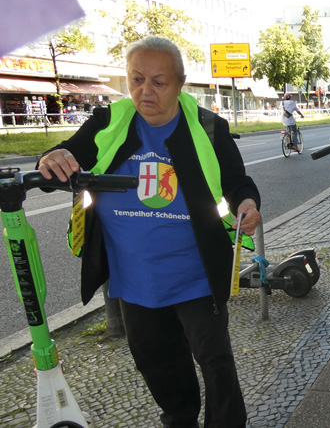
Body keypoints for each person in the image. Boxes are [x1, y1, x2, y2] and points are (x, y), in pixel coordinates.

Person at [37, 36, 260, 428]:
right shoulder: (108, 123)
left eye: (159, 82)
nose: (145, 91)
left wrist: (247, 203)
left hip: (197, 275)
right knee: (157, 363)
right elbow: (66, 160)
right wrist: (52, 156)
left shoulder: (209, 127)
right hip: (134, 277)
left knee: (216, 362)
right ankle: (179, 418)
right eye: (137, 79)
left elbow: (238, 182)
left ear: (180, 84)